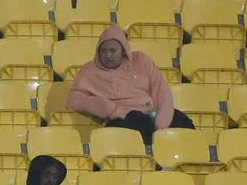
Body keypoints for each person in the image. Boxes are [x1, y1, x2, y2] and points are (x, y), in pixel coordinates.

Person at [67, 25, 195, 144]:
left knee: (184, 123)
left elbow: (161, 91)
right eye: (103, 51)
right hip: (121, 118)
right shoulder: (89, 70)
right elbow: (74, 100)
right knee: (140, 124)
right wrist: (108, 108)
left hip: (151, 113)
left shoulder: (141, 60)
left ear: (123, 51)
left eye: (113, 51)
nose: (108, 55)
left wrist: (161, 123)